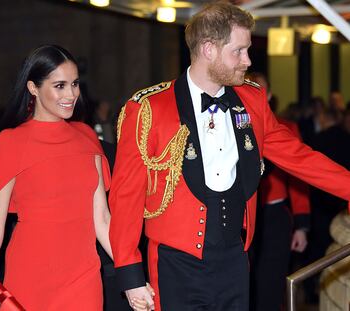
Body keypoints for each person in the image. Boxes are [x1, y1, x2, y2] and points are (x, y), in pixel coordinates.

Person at [108, 2, 350, 311]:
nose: (247, 61)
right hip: (174, 264)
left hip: (235, 260)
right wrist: (130, 275)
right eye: (239, 51)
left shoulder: (252, 100)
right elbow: (126, 195)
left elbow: (298, 156)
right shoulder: (148, 108)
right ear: (208, 49)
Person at [0, 45, 149, 311]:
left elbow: (102, 220)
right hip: (29, 277)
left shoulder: (87, 137)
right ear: (33, 88)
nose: (71, 94)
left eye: (74, 84)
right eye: (60, 85)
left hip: (83, 278)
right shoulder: (8, 144)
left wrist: (135, 277)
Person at [247, 73, 311, 311]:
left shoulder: (286, 127)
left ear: (270, 96)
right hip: (241, 217)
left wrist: (302, 225)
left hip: (274, 215)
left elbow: (300, 177)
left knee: (271, 284)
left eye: (261, 92)